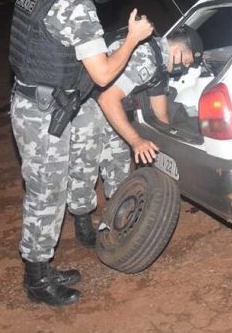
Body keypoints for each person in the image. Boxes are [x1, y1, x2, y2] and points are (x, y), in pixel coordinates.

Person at [8, 0, 154, 306]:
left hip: (31, 102)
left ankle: (41, 267)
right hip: (42, 116)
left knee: (45, 190)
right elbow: (104, 74)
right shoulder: (78, 9)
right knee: (46, 195)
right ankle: (37, 281)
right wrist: (133, 39)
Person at [67, 27, 203, 247]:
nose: (185, 67)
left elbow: (161, 114)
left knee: (118, 161)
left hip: (117, 109)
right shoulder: (145, 57)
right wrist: (136, 140)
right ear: (177, 48)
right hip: (90, 106)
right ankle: (82, 223)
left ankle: (118, 213)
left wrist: (172, 147)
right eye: (186, 61)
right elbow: (107, 100)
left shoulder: (161, 67)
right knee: (85, 164)